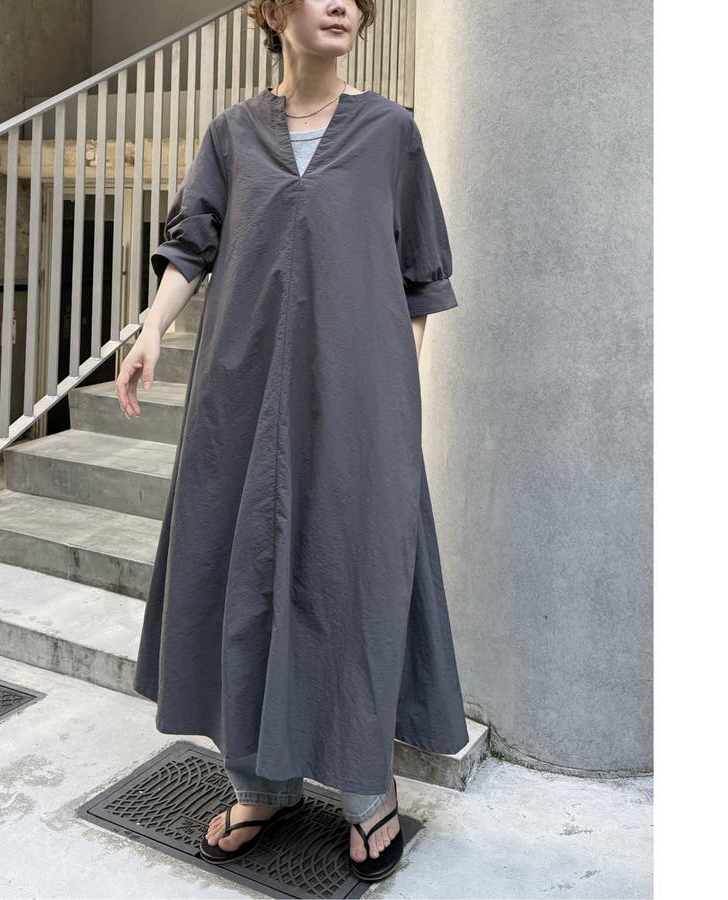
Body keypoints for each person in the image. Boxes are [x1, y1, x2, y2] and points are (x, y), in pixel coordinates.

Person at [118, 0, 470, 883]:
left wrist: (391, 397)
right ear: (273, 11)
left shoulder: (390, 133)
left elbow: (420, 278)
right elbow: (191, 244)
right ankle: (260, 784)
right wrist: (151, 328)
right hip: (241, 398)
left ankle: (366, 790)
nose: (342, 3)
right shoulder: (233, 135)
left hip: (357, 402)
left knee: (353, 576)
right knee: (241, 577)